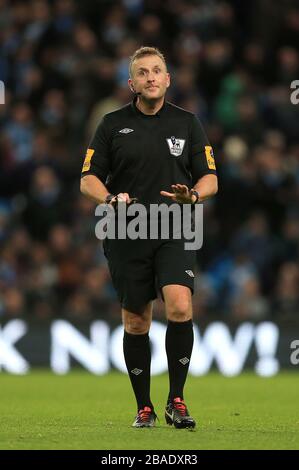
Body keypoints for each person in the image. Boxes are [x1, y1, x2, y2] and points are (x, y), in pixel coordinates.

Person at [80, 47, 218, 429]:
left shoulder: (188, 123)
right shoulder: (111, 124)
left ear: (169, 79)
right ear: (132, 83)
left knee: (179, 304)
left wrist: (193, 195)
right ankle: (144, 407)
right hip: (128, 229)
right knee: (137, 320)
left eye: (158, 70)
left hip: (176, 226)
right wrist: (109, 198)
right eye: (143, 73)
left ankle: (177, 399)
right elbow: (87, 178)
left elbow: (210, 177)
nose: (151, 77)